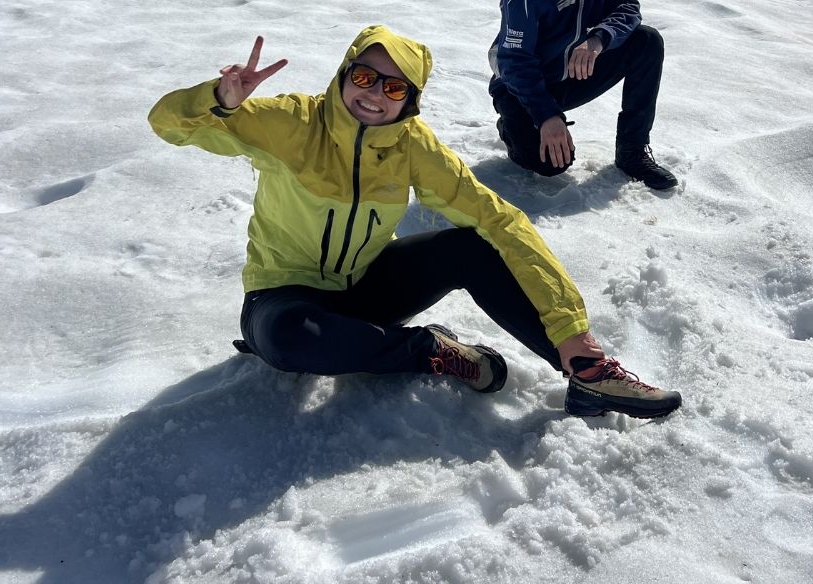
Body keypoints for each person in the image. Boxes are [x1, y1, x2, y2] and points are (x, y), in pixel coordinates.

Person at [148, 25, 682, 420]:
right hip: (283, 298)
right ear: (344, 74)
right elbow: (169, 125)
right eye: (364, 76)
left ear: (412, 100)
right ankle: (427, 351)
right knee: (290, 341)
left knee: (474, 245)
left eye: (395, 87)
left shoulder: (411, 147)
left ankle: (584, 376)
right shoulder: (290, 122)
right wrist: (218, 100)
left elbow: (500, 220)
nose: (375, 94)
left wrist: (571, 330)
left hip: (368, 286)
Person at [489, 0, 678, 190]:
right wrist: (547, 116)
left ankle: (632, 151)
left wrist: (598, 39)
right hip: (523, 84)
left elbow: (628, 7)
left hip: (574, 70)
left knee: (647, 43)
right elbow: (513, 60)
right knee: (551, 166)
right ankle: (513, 127)